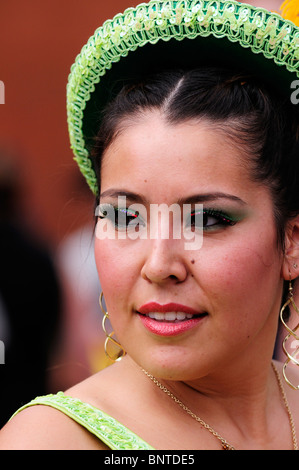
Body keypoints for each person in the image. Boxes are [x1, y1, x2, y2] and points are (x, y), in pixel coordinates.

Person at [1, 0, 299, 450]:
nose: (160, 265)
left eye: (207, 218)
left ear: (292, 241)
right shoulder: (53, 441)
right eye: (124, 217)